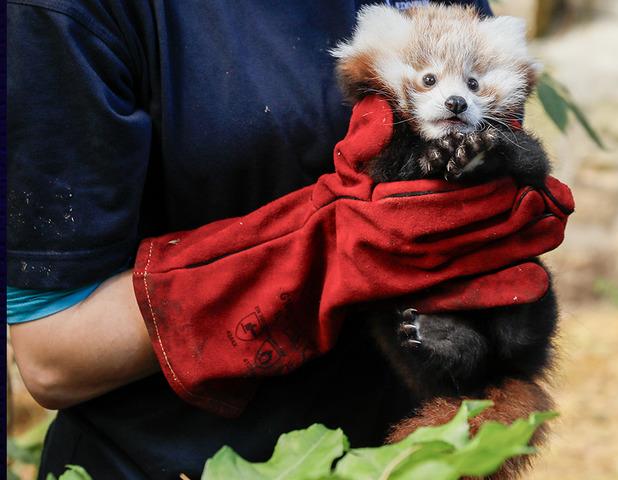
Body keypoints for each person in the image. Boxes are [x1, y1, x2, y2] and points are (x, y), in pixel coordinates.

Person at [7, 1, 570, 478]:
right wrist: (321, 252)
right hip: (174, 461)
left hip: (412, 449)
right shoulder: (74, 15)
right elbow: (52, 359)